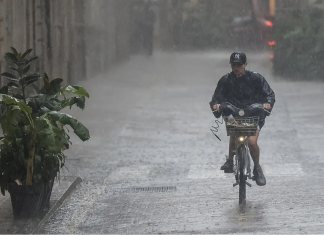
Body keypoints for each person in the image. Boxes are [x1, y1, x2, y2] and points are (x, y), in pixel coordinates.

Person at [209, 52, 275, 186]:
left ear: (245, 64)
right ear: (230, 65)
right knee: (233, 130)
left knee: (251, 142)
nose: (236, 67)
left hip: (254, 114)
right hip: (233, 113)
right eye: (234, 64)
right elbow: (216, 98)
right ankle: (230, 160)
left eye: (239, 65)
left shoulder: (256, 78)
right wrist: (216, 105)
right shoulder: (225, 80)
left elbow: (269, 94)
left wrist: (267, 103)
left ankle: (257, 168)